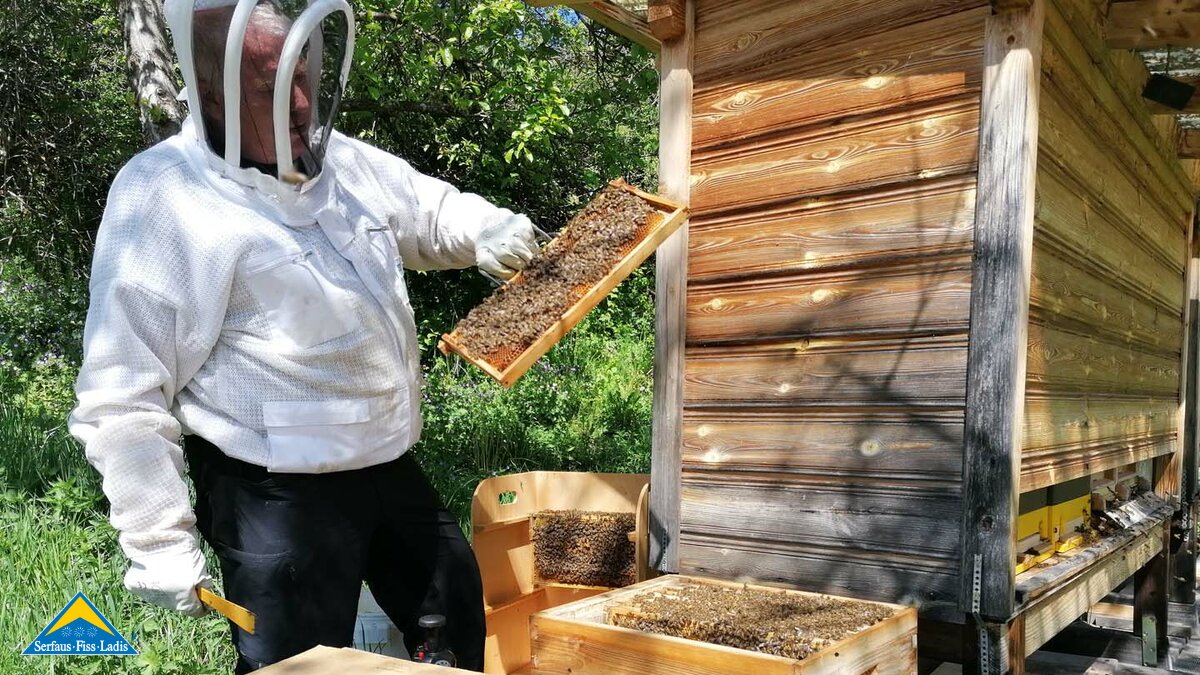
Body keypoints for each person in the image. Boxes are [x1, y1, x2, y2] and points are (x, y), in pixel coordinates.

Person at [67, 0, 538, 671]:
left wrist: (482, 227)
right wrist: (158, 540)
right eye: (269, 85)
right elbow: (121, 393)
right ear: (211, 93)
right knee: (298, 662)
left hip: (384, 457)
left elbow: (423, 209)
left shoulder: (337, 158)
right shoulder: (163, 197)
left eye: (301, 74)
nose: (298, 101)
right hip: (271, 493)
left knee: (457, 609)